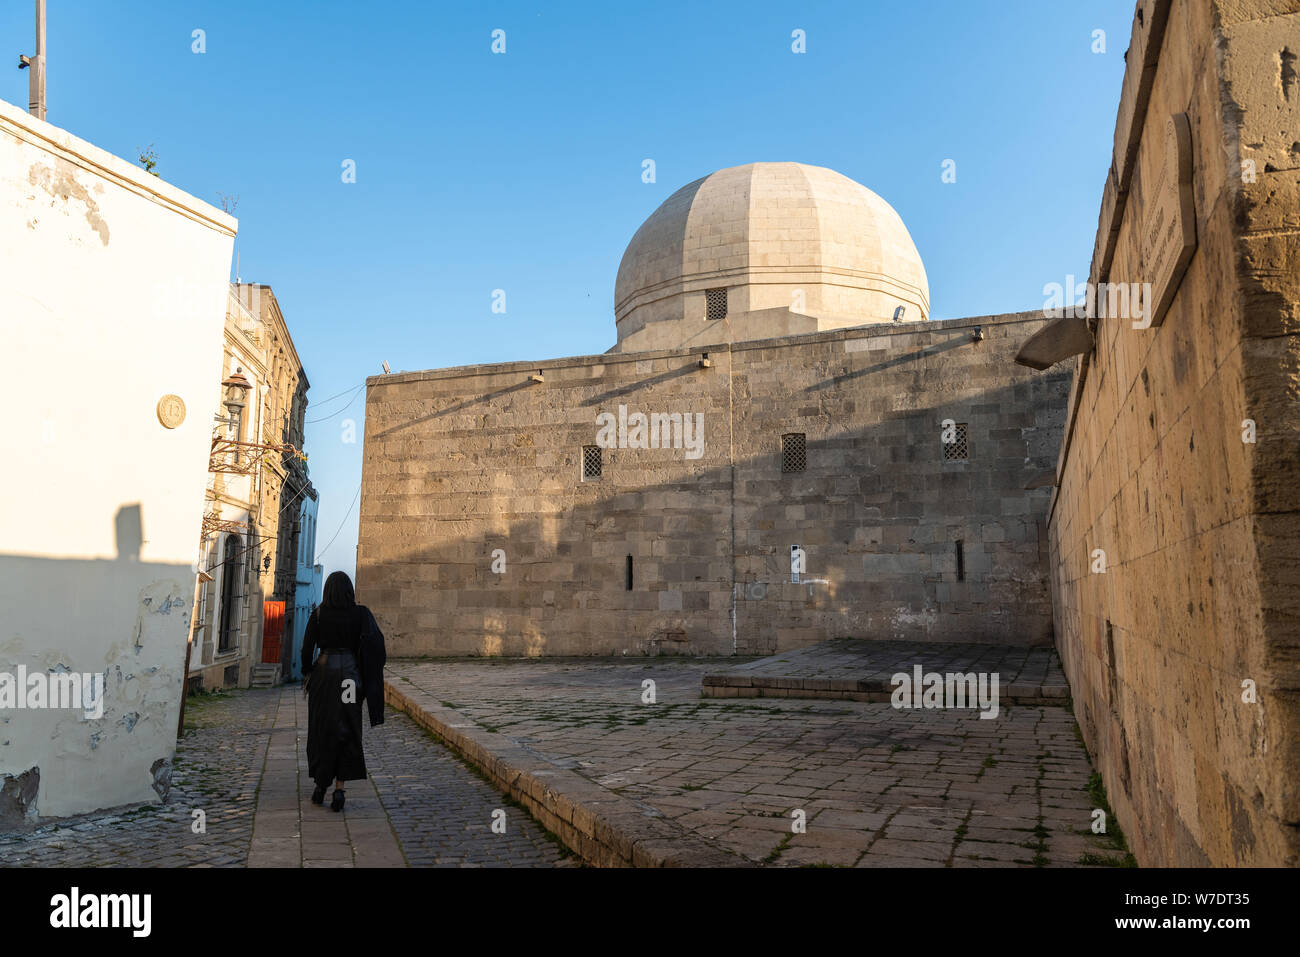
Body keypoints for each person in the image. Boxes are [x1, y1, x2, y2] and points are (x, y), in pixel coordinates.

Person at [300, 571, 386, 812]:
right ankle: (339, 788)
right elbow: (376, 645)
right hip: (349, 677)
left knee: (322, 728)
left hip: (325, 677)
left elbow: (307, 650)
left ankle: (320, 784)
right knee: (347, 727)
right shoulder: (361, 614)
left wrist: (308, 673)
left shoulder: (318, 615)